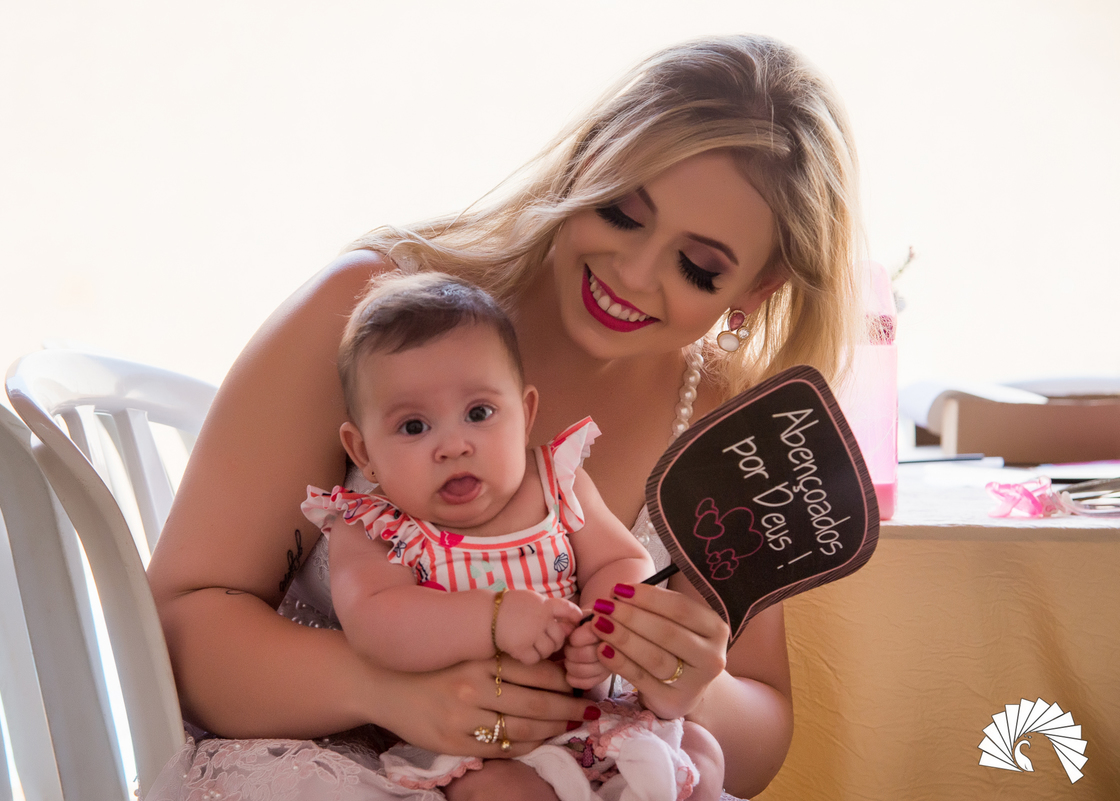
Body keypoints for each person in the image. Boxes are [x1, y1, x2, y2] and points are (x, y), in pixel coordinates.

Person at [145, 33, 860, 801]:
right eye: (621, 211)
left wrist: (690, 685)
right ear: (584, 162)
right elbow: (174, 624)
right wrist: (380, 686)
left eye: (699, 266)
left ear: (757, 288)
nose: (633, 272)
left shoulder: (727, 427)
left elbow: (761, 730)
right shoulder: (367, 317)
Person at [303, 270, 718, 800]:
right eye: (414, 426)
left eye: (479, 413)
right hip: (477, 741)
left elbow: (620, 560)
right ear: (363, 452)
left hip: (593, 720)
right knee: (504, 792)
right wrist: (496, 618)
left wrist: (603, 626)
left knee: (703, 754)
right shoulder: (378, 527)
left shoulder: (557, 484)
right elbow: (376, 624)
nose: (454, 446)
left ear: (525, 414)